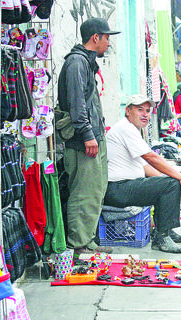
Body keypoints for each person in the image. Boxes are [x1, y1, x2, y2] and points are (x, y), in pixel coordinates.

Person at [57, 17, 120, 256]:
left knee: (94, 190)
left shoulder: (85, 62)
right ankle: (78, 245)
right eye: (107, 38)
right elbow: (77, 104)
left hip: (93, 137)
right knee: (84, 193)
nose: (108, 44)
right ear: (96, 38)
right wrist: (87, 135)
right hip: (84, 141)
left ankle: (87, 241)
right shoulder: (76, 62)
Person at [104, 94, 181, 253]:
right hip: (117, 189)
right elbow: (151, 158)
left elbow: (145, 166)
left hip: (125, 186)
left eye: (148, 111)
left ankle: (164, 231)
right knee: (170, 183)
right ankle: (162, 237)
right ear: (128, 111)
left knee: (168, 183)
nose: (145, 114)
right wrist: (180, 179)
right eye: (140, 110)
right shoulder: (125, 128)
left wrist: (169, 182)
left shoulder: (132, 129)